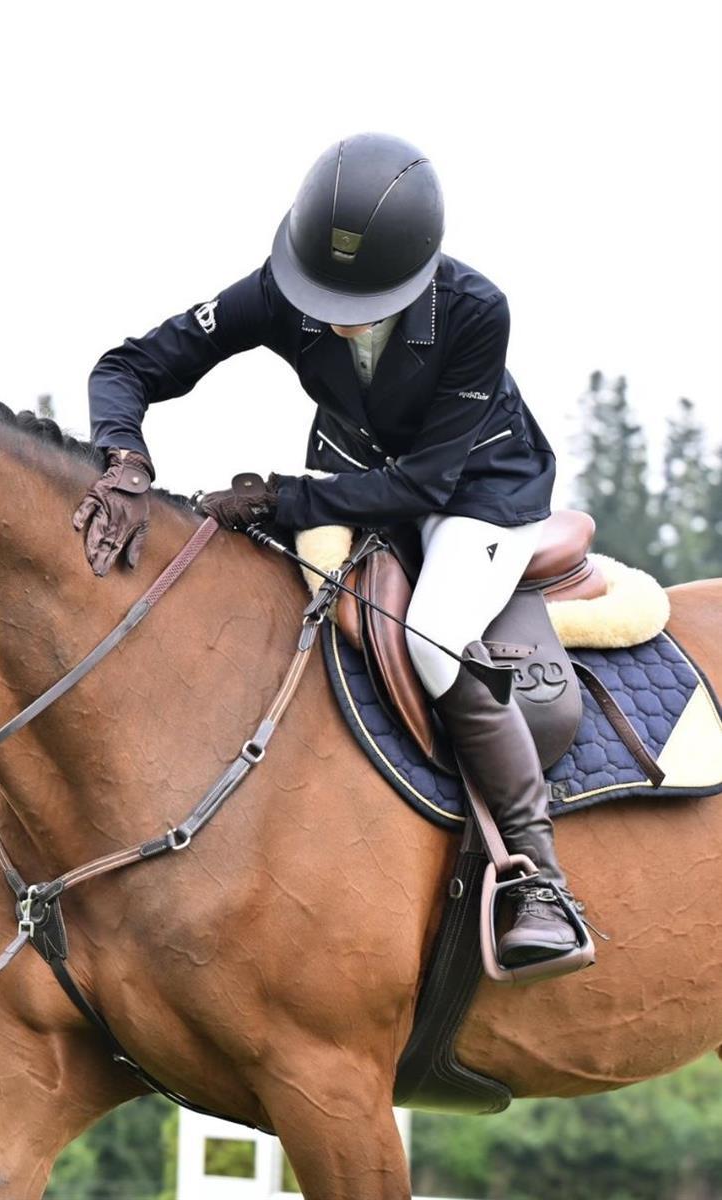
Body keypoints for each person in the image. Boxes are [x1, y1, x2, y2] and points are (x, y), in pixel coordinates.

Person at [72, 133, 583, 967]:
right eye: (320, 294)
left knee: (434, 638)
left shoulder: (474, 308)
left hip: (478, 495)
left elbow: (423, 485)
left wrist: (278, 497)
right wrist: (123, 460)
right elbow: (129, 366)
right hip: (352, 473)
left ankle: (541, 881)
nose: (333, 316)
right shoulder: (284, 288)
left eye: (361, 301)